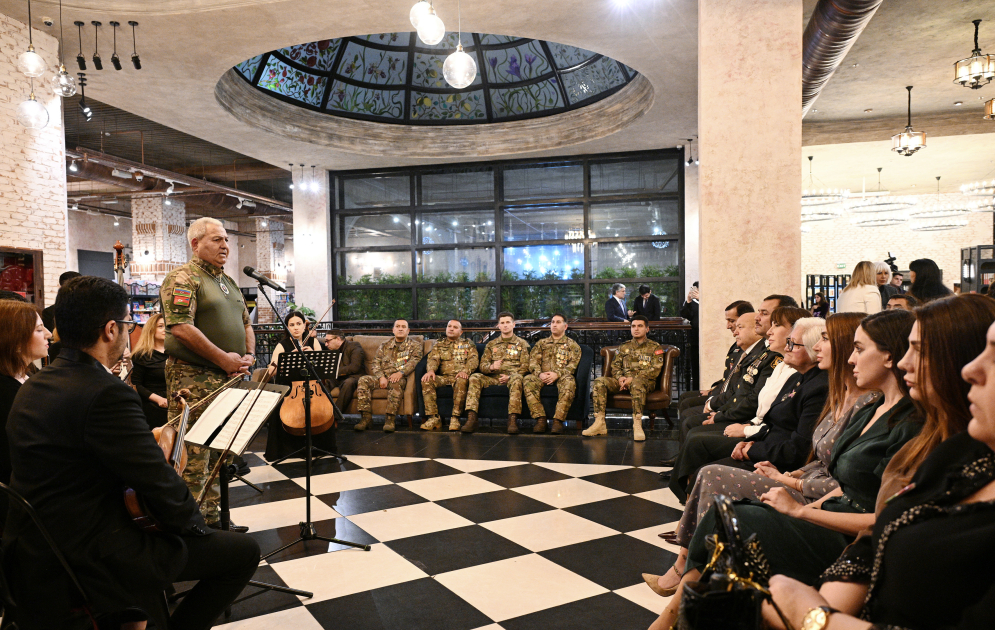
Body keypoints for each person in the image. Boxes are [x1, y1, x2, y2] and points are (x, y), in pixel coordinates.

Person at [2, 276, 259, 630]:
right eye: (127, 324)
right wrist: (197, 528)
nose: (129, 331)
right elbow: (158, 482)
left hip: (34, 543)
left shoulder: (38, 383)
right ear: (110, 329)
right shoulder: (106, 392)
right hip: (88, 551)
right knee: (243, 553)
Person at [648, 309, 922, 630]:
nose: (847, 357)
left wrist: (798, 507)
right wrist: (794, 486)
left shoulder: (904, 420)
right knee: (725, 513)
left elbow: (877, 511)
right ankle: (676, 611)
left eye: (857, 349)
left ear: (889, 357)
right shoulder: (870, 407)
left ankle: (673, 611)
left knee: (729, 511)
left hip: (843, 533)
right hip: (818, 502)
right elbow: (830, 469)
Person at [763, 295, 995, 630]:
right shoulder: (958, 453)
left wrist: (815, 618)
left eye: (922, 350)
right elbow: (883, 532)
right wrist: (825, 603)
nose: (972, 369)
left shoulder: (915, 427)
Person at [666, 315, 827, 501]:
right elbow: (763, 413)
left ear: (813, 349)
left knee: (705, 467)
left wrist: (750, 446)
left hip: (777, 459)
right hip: (763, 441)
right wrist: (750, 441)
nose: (786, 347)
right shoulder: (797, 377)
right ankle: (688, 518)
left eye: (792, 343)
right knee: (695, 433)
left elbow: (797, 449)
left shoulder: (818, 386)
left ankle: (689, 522)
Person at [161, 217, 255, 532]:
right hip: (193, 380)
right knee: (193, 456)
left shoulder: (227, 282)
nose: (225, 246)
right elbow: (181, 328)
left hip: (229, 379)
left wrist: (248, 356)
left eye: (226, 240)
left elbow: (246, 324)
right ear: (196, 243)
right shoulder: (183, 278)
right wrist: (223, 359)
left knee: (218, 454)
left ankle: (214, 519)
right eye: (217, 239)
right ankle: (190, 525)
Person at [675, 312, 768, 446]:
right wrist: (714, 392)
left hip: (743, 416)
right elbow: (730, 381)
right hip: (731, 406)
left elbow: (747, 397)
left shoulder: (763, 355)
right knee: (686, 402)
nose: (734, 331)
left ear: (756, 329)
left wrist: (719, 412)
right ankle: (681, 459)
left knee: (691, 424)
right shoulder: (745, 350)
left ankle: (684, 460)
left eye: (739, 327)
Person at [0, 300, 51, 528]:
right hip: (23, 501)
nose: (49, 334)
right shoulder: (6, 391)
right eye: (39, 330)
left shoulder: (28, 376)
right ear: (15, 339)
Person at [263, 311, 339, 461]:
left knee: (326, 401)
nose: (296, 328)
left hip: (312, 386)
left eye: (299, 324)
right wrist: (289, 356)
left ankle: (322, 447)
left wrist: (314, 357)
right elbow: (271, 372)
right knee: (279, 407)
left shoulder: (313, 342)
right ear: (287, 328)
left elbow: (322, 368)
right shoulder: (282, 345)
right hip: (291, 388)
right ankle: (287, 449)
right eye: (292, 325)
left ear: (305, 326)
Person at [584, 315, 664, 441]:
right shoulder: (623, 347)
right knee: (599, 382)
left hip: (644, 382)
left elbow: (654, 370)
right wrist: (620, 377)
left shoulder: (655, 347)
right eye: (633, 326)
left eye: (640, 326)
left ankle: (637, 424)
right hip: (622, 382)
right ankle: (599, 423)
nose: (636, 329)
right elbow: (615, 366)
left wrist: (632, 379)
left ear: (647, 329)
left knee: (637, 384)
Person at [676, 300, 753, 416]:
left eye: (731, 321)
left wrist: (714, 398)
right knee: (685, 398)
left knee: (688, 408)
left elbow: (738, 386)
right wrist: (713, 390)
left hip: (731, 400)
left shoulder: (750, 348)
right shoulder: (737, 346)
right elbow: (728, 378)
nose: (728, 326)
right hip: (724, 394)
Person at [465, 312, 531, 434]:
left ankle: (512, 420)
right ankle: (471, 418)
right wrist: (491, 367)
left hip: (512, 378)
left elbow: (526, 366)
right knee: (475, 377)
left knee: (517, 379)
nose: (505, 325)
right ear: (498, 326)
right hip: (493, 377)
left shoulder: (522, 344)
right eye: (502, 323)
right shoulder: (491, 344)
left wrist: (509, 376)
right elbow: (482, 366)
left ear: (513, 324)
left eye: (508, 322)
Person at [354, 319, 423, 433]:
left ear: (408, 330)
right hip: (383, 377)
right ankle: (365, 419)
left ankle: (390, 420)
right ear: (393, 329)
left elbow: (415, 362)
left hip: (400, 378)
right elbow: (376, 362)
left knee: (396, 383)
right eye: (397, 326)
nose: (400, 329)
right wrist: (381, 377)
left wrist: (400, 373)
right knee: (363, 380)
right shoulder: (385, 345)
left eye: (403, 327)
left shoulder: (415, 345)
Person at [524, 313, 582, 434]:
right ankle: (540, 419)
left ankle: (558, 421)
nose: (554, 325)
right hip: (542, 376)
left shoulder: (572, 345)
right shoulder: (541, 343)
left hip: (561, 376)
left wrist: (557, 374)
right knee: (528, 380)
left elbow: (573, 365)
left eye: (558, 322)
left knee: (569, 382)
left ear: (565, 327)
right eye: (552, 322)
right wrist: (539, 374)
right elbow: (532, 362)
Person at [421, 319, 478, 432]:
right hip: (444, 377)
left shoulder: (467, 344)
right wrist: (431, 371)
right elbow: (433, 359)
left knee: (462, 379)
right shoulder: (439, 344)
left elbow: (473, 360)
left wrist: (465, 371)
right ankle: (433, 418)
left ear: (461, 332)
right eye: (449, 326)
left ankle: (455, 418)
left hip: (459, 377)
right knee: (426, 380)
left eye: (455, 327)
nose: (451, 329)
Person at [130, 313, 169, 429]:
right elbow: (137, 384)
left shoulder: (175, 354)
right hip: (153, 404)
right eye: (160, 326)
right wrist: (158, 400)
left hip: (174, 401)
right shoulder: (142, 355)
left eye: (167, 326)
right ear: (151, 329)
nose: (165, 329)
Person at [324, 328, 366, 412]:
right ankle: (324, 411)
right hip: (338, 377)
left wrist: (334, 371)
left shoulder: (354, 346)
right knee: (324, 381)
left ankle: (336, 414)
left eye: (328, 341)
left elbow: (354, 367)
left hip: (353, 377)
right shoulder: (331, 349)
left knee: (348, 383)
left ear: (338, 339)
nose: (326, 344)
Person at [679, 283, 698, 388]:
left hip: (704, 337)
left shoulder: (706, 301)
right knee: (694, 365)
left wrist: (701, 299)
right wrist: (689, 301)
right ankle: (695, 388)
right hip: (694, 337)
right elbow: (685, 314)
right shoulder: (692, 303)